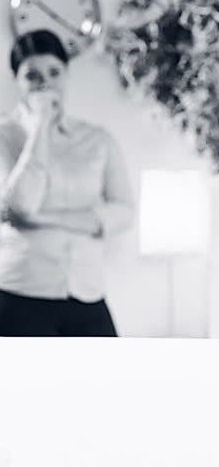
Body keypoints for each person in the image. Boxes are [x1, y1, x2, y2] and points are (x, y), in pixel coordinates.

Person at [0, 30, 134, 336]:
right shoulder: (4, 135)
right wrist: (40, 127)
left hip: (86, 292)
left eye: (54, 73)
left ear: (67, 75)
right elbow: (21, 205)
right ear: (16, 81)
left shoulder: (97, 139)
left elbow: (124, 211)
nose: (45, 83)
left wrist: (44, 220)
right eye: (32, 76)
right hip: (21, 293)